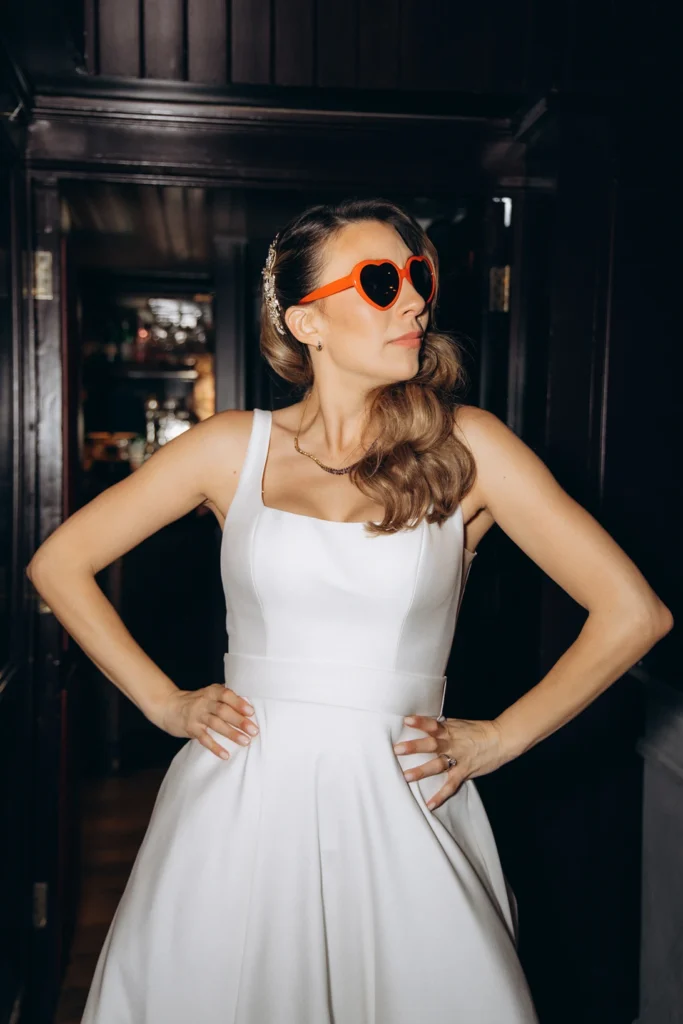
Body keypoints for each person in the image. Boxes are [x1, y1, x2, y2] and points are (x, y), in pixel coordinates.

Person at [27, 197, 672, 1023]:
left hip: (400, 803)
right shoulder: (232, 447)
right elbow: (60, 563)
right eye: (378, 281)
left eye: (416, 277)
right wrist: (165, 701)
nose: (412, 300)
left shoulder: (468, 446)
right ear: (306, 322)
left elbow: (632, 612)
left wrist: (500, 737)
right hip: (239, 808)